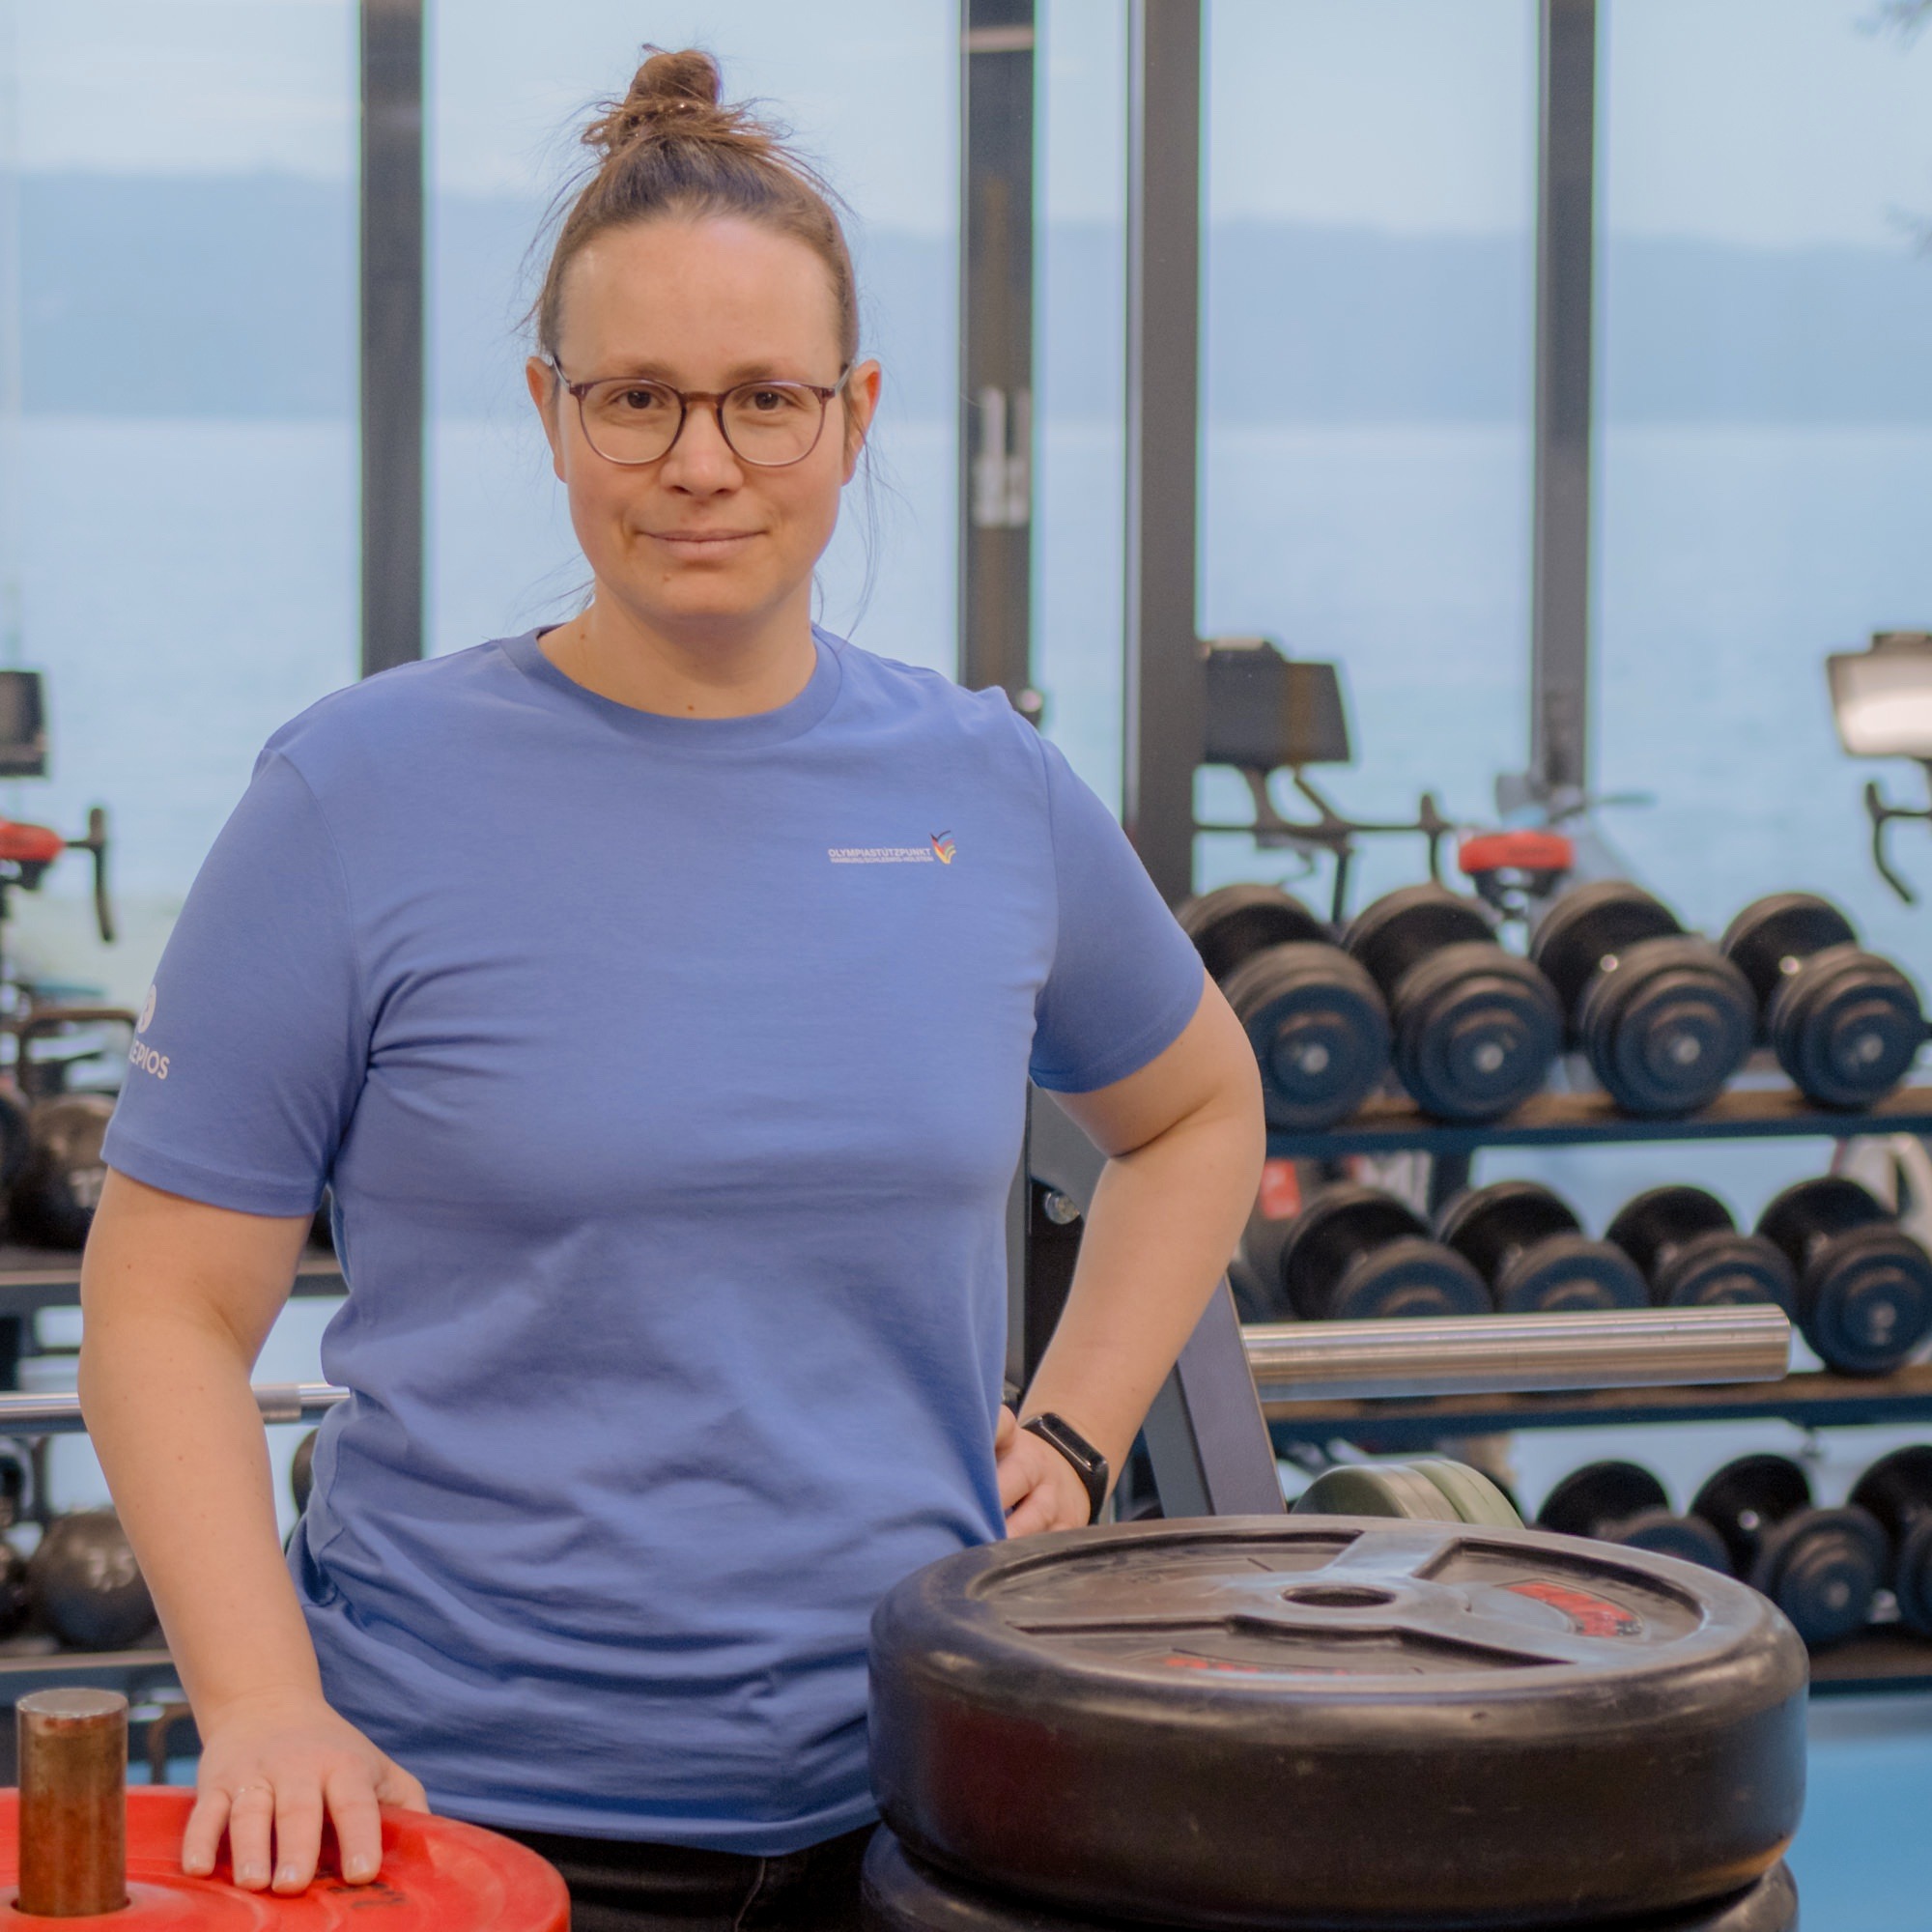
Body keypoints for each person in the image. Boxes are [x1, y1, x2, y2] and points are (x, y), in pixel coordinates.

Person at [77, 47, 1263, 1932]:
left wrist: (1071, 1430)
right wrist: (262, 1706)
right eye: (635, 399)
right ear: (551, 415)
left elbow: (1196, 1109)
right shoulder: (357, 795)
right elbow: (159, 1300)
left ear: (854, 417)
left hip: (925, 1803)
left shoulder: (986, 785)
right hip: (469, 1818)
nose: (700, 464)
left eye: (765, 401)